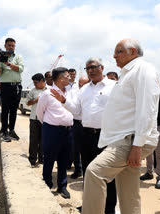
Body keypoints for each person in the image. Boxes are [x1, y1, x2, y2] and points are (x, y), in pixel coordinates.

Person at [81, 38, 159, 214]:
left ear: (133, 52)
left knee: (94, 173)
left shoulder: (143, 70)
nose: (114, 56)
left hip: (131, 141)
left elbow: (147, 109)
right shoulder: (128, 73)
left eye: (118, 51)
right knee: (128, 191)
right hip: (125, 140)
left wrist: (137, 145)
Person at [51, 57, 117, 214]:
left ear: (102, 67)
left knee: (108, 176)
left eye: (94, 67)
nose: (91, 70)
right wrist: (64, 101)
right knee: (88, 173)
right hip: (87, 136)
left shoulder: (114, 86)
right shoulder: (84, 90)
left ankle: (109, 209)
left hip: (107, 136)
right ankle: (89, 206)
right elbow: (77, 112)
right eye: (88, 68)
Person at [36, 67, 74, 199]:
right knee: (49, 159)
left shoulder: (71, 92)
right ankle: (47, 184)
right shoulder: (47, 94)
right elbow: (39, 113)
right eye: (68, 76)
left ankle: (62, 186)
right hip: (52, 130)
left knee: (64, 159)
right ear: (60, 78)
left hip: (68, 130)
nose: (70, 78)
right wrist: (49, 125)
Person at [140, 77, 160, 189]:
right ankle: (149, 173)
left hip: (159, 126)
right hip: (147, 126)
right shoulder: (145, 96)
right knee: (148, 151)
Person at [0, 38, 24, 142]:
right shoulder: (1, 58)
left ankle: (12, 130)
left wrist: (8, 64)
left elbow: (20, 69)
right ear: (5, 46)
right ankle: (5, 132)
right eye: (9, 45)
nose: (11, 47)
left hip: (17, 86)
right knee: (5, 110)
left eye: (13, 45)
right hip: (5, 86)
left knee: (14, 110)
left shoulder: (18, 57)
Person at [70, 76, 90, 179]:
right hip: (77, 124)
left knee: (87, 149)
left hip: (88, 126)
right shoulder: (76, 93)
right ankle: (78, 170)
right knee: (75, 149)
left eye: (84, 84)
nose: (81, 86)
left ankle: (88, 172)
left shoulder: (91, 93)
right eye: (80, 84)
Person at [26, 73, 47, 167]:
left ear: (42, 81)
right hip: (34, 119)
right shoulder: (32, 91)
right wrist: (36, 100)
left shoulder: (50, 90)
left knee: (44, 140)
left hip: (46, 119)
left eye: (36, 82)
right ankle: (32, 159)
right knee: (34, 140)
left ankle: (42, 158)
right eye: (33, 82)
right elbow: (27, 103)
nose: (34, 84)